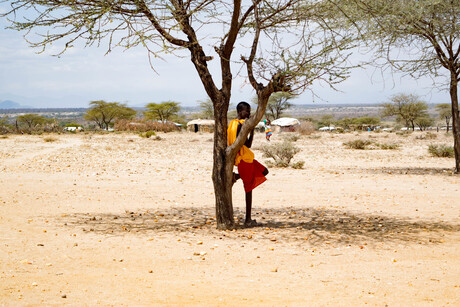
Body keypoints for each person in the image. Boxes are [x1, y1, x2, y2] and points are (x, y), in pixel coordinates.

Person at [227, 101, 269, 227]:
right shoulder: (240, 125)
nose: (249, 113)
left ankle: (237, 176)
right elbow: (244, 145)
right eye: (247, 111)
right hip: (244, 159)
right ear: (240, 112)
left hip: (247, 158)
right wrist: (250, 130)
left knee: (265, 171)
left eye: (249, 111)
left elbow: (245, 144)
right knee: (248, 190)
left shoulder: (236, 124)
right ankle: (248, 220)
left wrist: (251, 131)